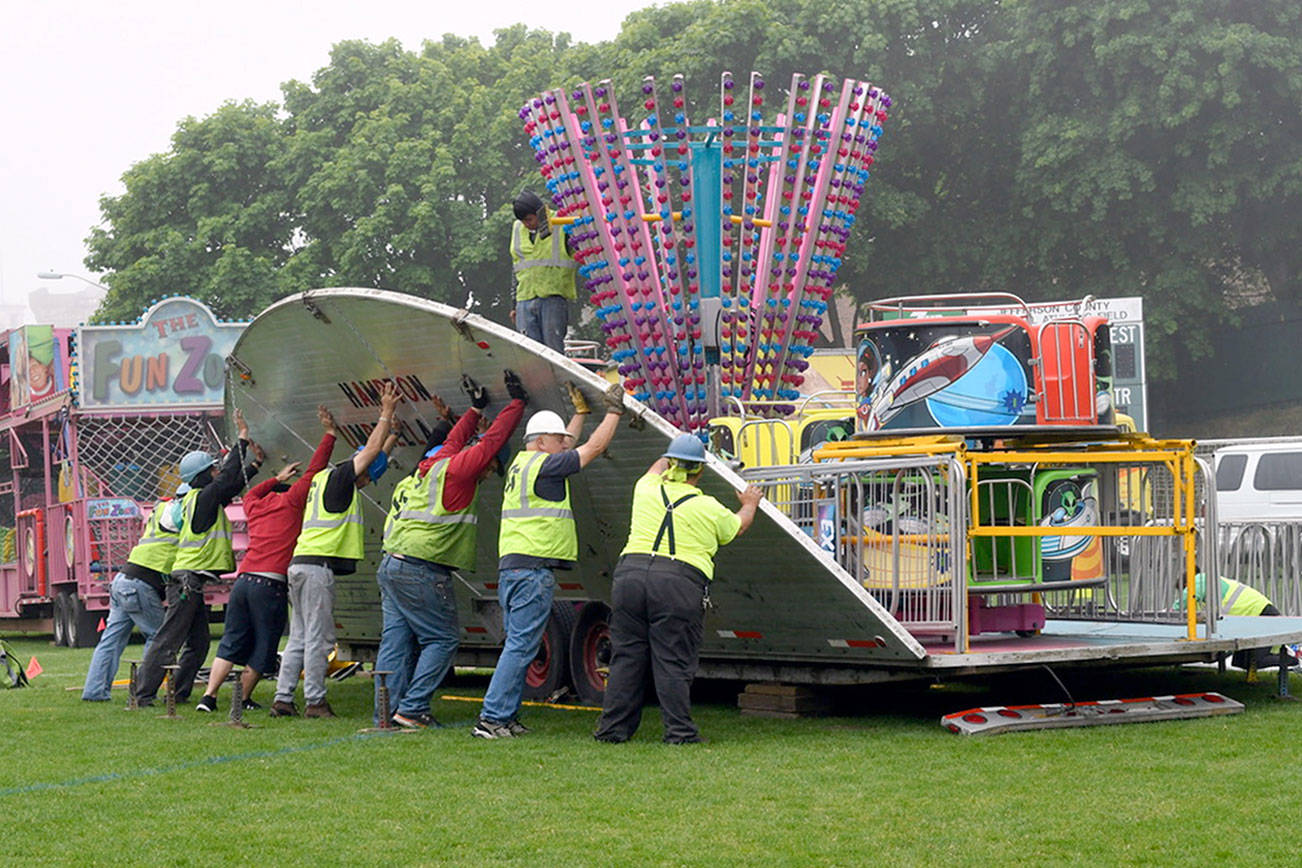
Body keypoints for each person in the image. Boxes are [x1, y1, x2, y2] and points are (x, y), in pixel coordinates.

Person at [473, 381, 626, 739]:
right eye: (558, 440)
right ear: (542, 443)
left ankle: (504, 718)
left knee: (520, 645)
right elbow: (593, 448)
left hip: (515, 569)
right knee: (520, 646)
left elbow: (568, 445)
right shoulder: (545, 466)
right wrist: (614, 411)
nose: (564, 444)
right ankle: (492, 718)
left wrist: (580, 415)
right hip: (530, 572)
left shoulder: (522, 463)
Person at [373, 371, 526, 729]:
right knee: (442, 638)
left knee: (395, 642)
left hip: (392, 563)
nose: (490, 474)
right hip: (421, 568)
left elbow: (456, 441)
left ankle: (386, 713)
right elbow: (491, 442)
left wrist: (473, 409)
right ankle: (412, 710)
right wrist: (517, 403)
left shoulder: (435, 464)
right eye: (493, 469)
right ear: (485, 462)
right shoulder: (461, 472)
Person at [594, 434, 764, 744]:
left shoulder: (645, 489)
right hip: (677, 583)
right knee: (672, 659)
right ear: (700, 471)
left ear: (671, 464)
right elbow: (739, 525)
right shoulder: (708, 507)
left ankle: (612, 731)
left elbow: (653, 470)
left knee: (626, 657)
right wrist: (750, 503)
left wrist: (669, 453)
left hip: (630, 577)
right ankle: (679, 733)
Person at [195, 405, 338, 713]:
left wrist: (274, 478)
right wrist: (329, 435)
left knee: (230, 642)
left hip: (243, 582)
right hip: (269, 584)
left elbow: (250, 494)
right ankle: (242, 699)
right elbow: (314, 471)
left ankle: (208, 697)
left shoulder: (255, 507)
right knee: (264, 645)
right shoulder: (293, 503)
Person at [272, 384, 400, 719]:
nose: (367, 481)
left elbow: (376, 459)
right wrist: (385, 413)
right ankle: (315, 701)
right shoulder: (342, 477)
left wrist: (392, 437)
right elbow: (370, 454)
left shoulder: (323, 481)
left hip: (299, 566)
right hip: (316, 570)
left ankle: (283, 699)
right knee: (318, 638)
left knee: (298, 636)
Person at [132, 414, 260, 707]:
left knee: (199, 641)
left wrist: (254, 466)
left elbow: (229, 484)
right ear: (202, 476)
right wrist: (242, 437)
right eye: (212, 469)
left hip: (190, 580)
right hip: (186, 581)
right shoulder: (201, 498)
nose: (217, 472)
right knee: (169, 639)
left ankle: (179, 692)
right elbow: (227, 478)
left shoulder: (201, 499)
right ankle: (144, 695)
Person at [81, 484, 185, 701]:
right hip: (141, 584)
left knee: (111, 639)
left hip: (122, 580)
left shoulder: (159, 511)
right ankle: (142, 692)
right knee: (159, 639)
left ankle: (94, 692)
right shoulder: (181, 513)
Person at [509, 189, 576, 354]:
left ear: (539, 212)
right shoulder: (518, 229)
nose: (527, 224)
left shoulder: (561, 223)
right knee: (528, 352)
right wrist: (514, 304)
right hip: (524, 299)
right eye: (523, 221)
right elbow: (517, 268)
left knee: (552, 350)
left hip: (552, 298)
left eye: (529, 219)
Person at [1183, 572, 1291, 669]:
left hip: (1263, 615)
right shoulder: (1206, 590)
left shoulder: (1200, 579)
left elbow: (1183, 600)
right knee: (1239, 662)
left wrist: (1173, 610)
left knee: (1257, 661)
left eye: (1184, 589)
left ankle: (1294, 660)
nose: (1186, 591)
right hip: (1251, 620)